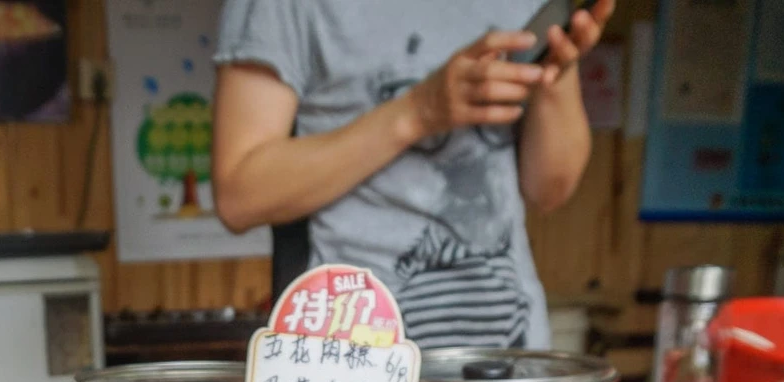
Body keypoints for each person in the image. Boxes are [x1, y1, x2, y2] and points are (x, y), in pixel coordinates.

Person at [212, 1, 615, 350]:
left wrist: (556, 74)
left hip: (507, 368)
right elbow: (239, 194)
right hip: (348, 375)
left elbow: (549, 191)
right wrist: (418, 111)